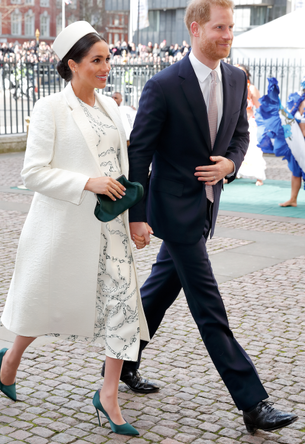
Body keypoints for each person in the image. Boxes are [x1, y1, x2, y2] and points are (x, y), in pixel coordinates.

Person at [104, 0, 298, 435]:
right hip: (172, 211)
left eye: (231, 27)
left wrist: (229, 164)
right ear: (195, 28)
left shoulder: (235, 77)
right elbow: (140, 152)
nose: (228, 35)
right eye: (220, 28)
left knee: (157, 292)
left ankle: (121, 365)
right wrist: (137, 216)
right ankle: (253, 402)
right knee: (209, 306)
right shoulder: (164, 84)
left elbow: (241, 135)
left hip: (207, 206)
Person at [0, 21, 149, 437]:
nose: (105, 67)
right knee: (44, 306)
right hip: (64, 228)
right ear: (73, 65)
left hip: (110, 227)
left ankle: (109, 394)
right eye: (96, 60)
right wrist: (86, 182)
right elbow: (33, 173)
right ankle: (10, 360)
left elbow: (122, 166)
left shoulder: (111, 107)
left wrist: (136, 215)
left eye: (107, 59)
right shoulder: (50, 108)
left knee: (122, 309)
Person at [256, 76, 305, 207]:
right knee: (296, 171)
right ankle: (293, 199)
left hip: (301, 142)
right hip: (296, 143)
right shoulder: (298, 102)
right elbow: (290, 119)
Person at [235, 64, 266, 186]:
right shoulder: (231, 88)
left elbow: (259, 108)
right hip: (236, 123)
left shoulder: (252, 89)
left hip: (250, 123)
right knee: (235, 148)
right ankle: (234, 172)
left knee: (253, 149)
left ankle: (259, 177)